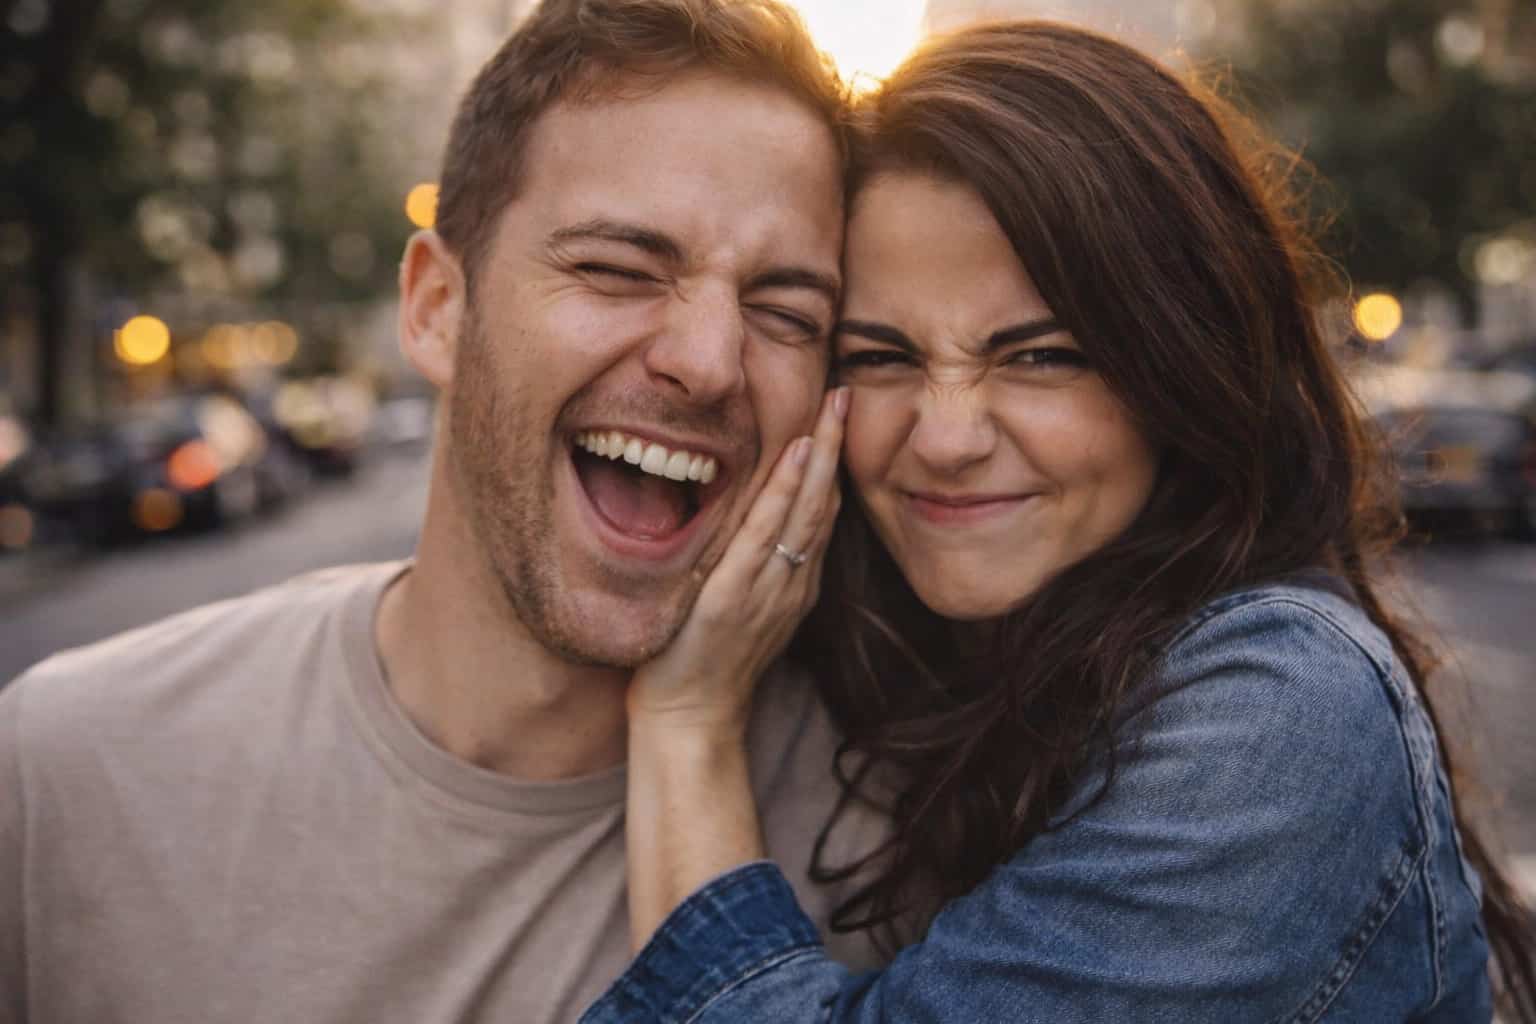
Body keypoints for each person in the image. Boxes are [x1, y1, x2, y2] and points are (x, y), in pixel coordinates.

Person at [584, 20, 1536, 1023]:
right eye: (880, 357)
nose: (945, 437)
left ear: (1178, 366)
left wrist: (688, 725)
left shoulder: (1284, 709)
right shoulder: (952, 658)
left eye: (1040, 356)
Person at [0, 2, 893, 1021]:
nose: (705, 361)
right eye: (616, 268)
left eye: (785, 313)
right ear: (435, 309)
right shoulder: (66, 771)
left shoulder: (905, 842)